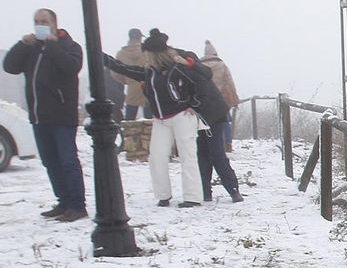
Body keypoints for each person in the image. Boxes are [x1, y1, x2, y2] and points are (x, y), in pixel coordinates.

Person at [102, 29, 206, 207]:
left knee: (188, 156)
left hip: (183, 115)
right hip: (161, 119)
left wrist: (194, 105)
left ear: (154, 54)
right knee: (156, 156)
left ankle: (192, 197)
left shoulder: (178, 68)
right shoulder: (149, 72)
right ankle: (163, 195)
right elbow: (123, 68)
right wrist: (100, 55)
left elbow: (201, 82)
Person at [2, 8, 87, 222]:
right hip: (39, 116)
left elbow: (71, 67)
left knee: (68, 161)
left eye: (44, 21)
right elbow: (10, 66)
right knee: (50, 161)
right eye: (36, 21)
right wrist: (22, 45)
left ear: (54, 24)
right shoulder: (31, 49)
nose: (40, 24)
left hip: (62, 115)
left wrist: (52, 46)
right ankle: (64, 201)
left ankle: (77, 205)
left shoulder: (69, 46)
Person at [178, 47, 243, 203]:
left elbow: (200, 94)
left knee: (206, 154)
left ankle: (208, 191)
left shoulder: (193, 73)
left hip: (208, 113)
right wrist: (233, 100)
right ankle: (232, 190)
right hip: (215, 111)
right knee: (214, 153)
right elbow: (229, 83)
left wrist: (191, 105)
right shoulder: (212, 68)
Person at [200, 41, 240, 151]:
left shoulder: (199, 66)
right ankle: (227, 144)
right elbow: (229, 82)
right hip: (220, 98)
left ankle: (206, 145)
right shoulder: (221, 65)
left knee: (204, 122)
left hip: (203, 98)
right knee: (224, 120)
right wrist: (234, 98)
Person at [111, 29, 149, 121]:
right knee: (150, 122)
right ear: (140, 38)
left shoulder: (121, 54)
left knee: (129, 121)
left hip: (131, 90)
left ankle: (128, 134)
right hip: (148, 89)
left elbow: (116, 73)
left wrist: (127, 81)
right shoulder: (147, 51)